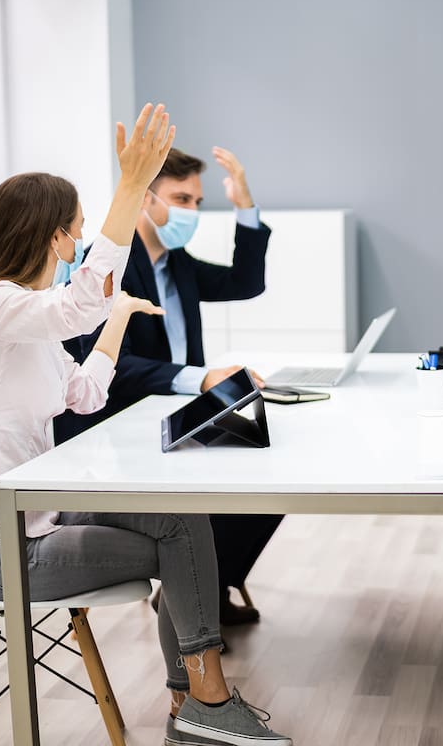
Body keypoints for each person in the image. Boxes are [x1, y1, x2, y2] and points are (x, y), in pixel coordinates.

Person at [0, 104, 293, 746]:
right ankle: (202, 702)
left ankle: (196, 703)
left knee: (182, 523)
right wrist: (129, 190)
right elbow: (78, 305)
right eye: (75, 232)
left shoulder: (27, 320)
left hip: (34, 518)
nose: (78, 245)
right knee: (180, 537)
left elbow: (85, 393)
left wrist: (119, 315)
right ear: (55, 238)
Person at [54, 146, 281, 626]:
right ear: (145, 200)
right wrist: (203, 378)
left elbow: (247, 281)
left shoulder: (176, 263)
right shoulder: (107, 265)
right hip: (120, 424)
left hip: (173, 413)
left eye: (197, 202)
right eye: (181, 198)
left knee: (272, 478)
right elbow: (115, 365)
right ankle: (194, 592)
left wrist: (244, 204)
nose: (191, 212)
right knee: (245, 472)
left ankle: (206, 589)